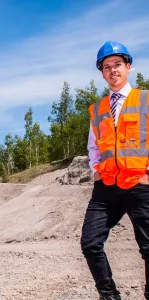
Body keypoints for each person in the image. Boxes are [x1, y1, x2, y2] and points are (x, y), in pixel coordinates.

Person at [81, 41, 149, 300]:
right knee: (90, 242)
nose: (112, 71)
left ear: (128, 66)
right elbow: (93, 146)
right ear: (102, 73)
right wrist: (96, 170)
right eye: (106, 67)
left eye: (117, 65)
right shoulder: (97, 109)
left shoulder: (145, 99)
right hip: (107, 186)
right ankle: (109, 296)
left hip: (139, 182)